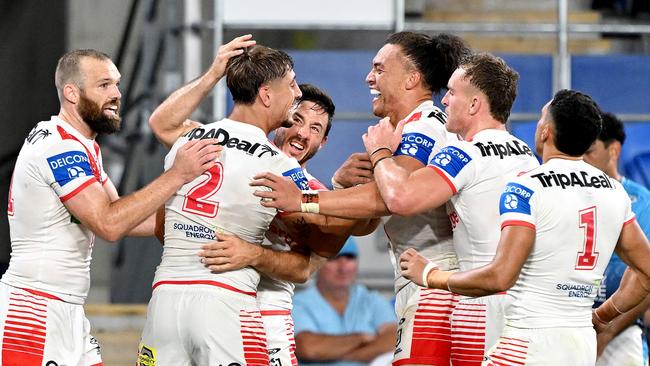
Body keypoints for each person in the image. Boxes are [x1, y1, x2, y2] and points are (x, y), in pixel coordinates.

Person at [254, 52, 539, 364]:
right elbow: (366, 218)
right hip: (515, 300)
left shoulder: (457, 148)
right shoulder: (525, 155)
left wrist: (375, 157)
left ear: (410, 78)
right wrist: (340, 186)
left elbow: (396, 198)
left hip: (447, 287)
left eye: (379, 69)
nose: (370, 78)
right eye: (297, 121)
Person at [0, 49, 219, 365]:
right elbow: (110, 224)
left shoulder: (81, 143)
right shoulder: (60, 147)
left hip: (65, 309)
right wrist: (178, 175)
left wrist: (201, 221)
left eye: (117, 84)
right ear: (72, 93)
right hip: (34, 311)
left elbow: (123, 214)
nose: (117, 94)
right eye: (104, 85)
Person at [400, 89, 650, 365]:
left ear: (545, 132)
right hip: (581, 343)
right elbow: (647, 270)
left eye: (542, 117)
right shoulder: (615, 192)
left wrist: (432, 276)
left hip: (528, 341)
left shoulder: (527, 186)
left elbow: (500, 277)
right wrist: (604, 315)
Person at [584, 111, 650, 365]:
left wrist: (608, 331)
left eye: (589, 151)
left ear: (613, 150)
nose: (583, 159)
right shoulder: (569, 194)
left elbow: (645, 273)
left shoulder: (641, 201)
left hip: (621, 330)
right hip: (570, 321)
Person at [292, 239, 397, 366]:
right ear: (317, 264)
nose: (343, 267)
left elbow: (393, 340)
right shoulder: (298, 303)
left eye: (349, 257)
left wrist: (344, 355)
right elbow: (308, 347)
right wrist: (362, 338)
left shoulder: (371, 300)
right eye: (334, 258)